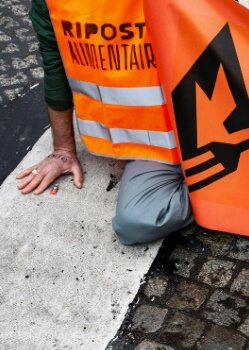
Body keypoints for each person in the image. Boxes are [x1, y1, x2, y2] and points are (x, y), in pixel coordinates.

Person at [20, 0, 193, 245]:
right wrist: (63, 150)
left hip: (207, 121)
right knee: (135, 224)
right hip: (150, 142)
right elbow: (55, 60)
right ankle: (218, 189)